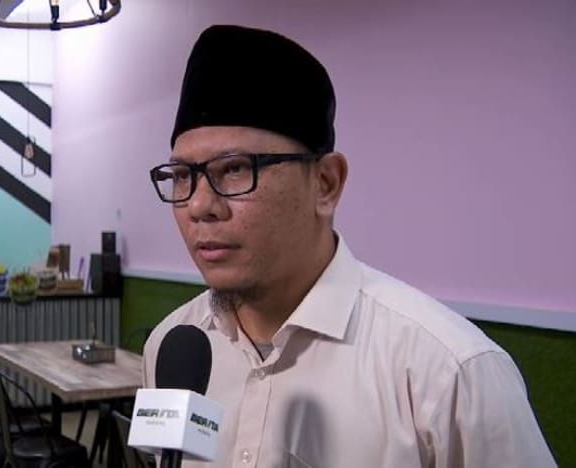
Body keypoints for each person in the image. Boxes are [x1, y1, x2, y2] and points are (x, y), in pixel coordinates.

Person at [142, 24, 555, 468]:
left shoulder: (448, 374)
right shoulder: (170, 347)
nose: (199, 206)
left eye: (235, 169)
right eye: (182, 176)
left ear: (325, 183)